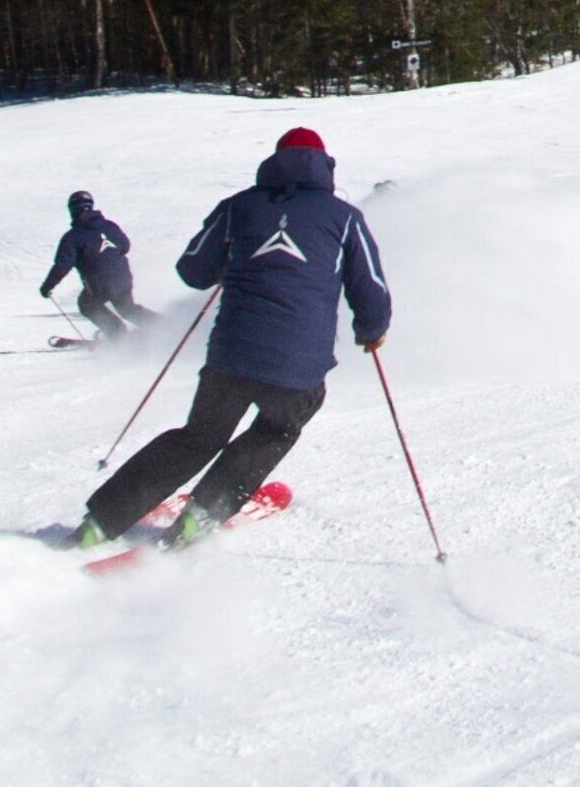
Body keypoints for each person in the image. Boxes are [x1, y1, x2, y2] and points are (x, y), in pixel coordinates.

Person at [73, 126, 391, 551]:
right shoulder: (344, 217)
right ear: (325, 165)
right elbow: (369, 285)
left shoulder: (237, 207)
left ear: (273, 162)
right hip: (298, 366)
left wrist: (233, 260)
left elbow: (192, 270)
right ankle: (203, 513)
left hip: (230, 358)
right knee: (277, 428)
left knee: (199, 437)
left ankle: (99, 522)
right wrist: (371, 330)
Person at [40, 189, 143, 337]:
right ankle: (165, 326)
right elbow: (125, 246)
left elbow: (62, 265)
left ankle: (118, 335)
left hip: (100, 285)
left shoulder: (72, 237)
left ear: (72, 211)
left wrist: (47, 286)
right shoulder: (110, 226)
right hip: (123, 279)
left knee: (87, 305)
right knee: (128, 309)